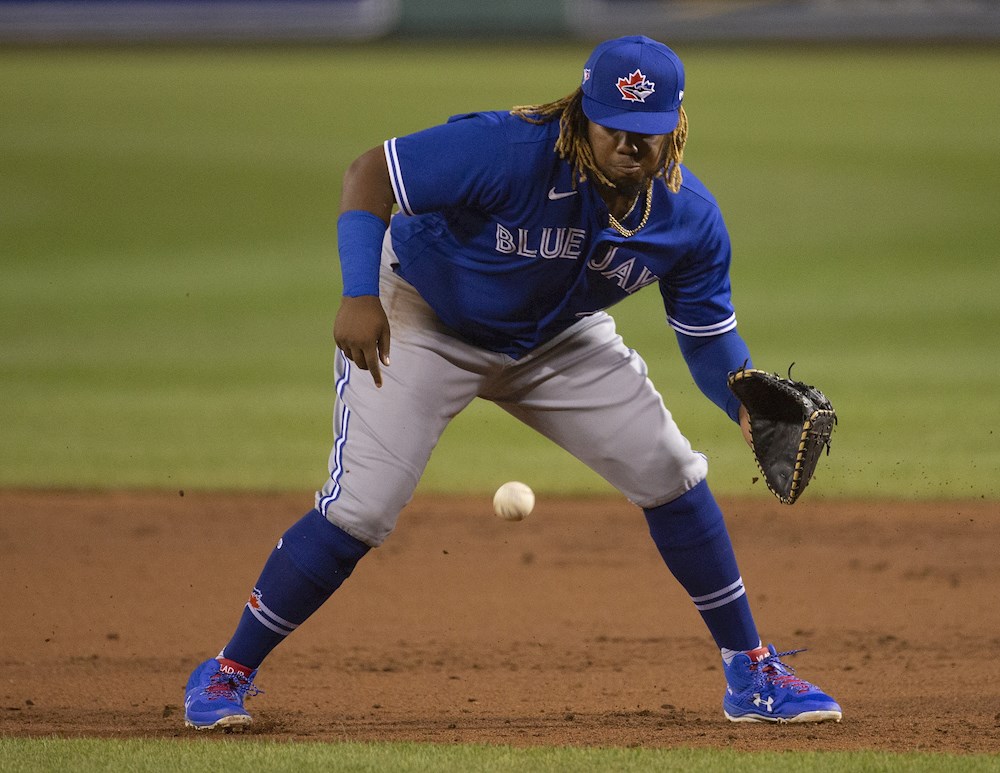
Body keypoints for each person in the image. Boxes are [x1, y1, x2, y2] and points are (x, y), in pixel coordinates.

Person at [183, 35, 842, 730]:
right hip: (420, 316)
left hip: (556, 336)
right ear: (584, 114)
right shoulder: (504, 148)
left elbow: (709, 343)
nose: (628, 144)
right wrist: (358, 294)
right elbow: (369, 173)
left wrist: (740, 403)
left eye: (646, 132)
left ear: (677, 126)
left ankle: (751, 669)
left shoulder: (689, 220)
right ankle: (227, 671)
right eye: (614, 125)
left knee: (671, 469)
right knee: (362, 509)